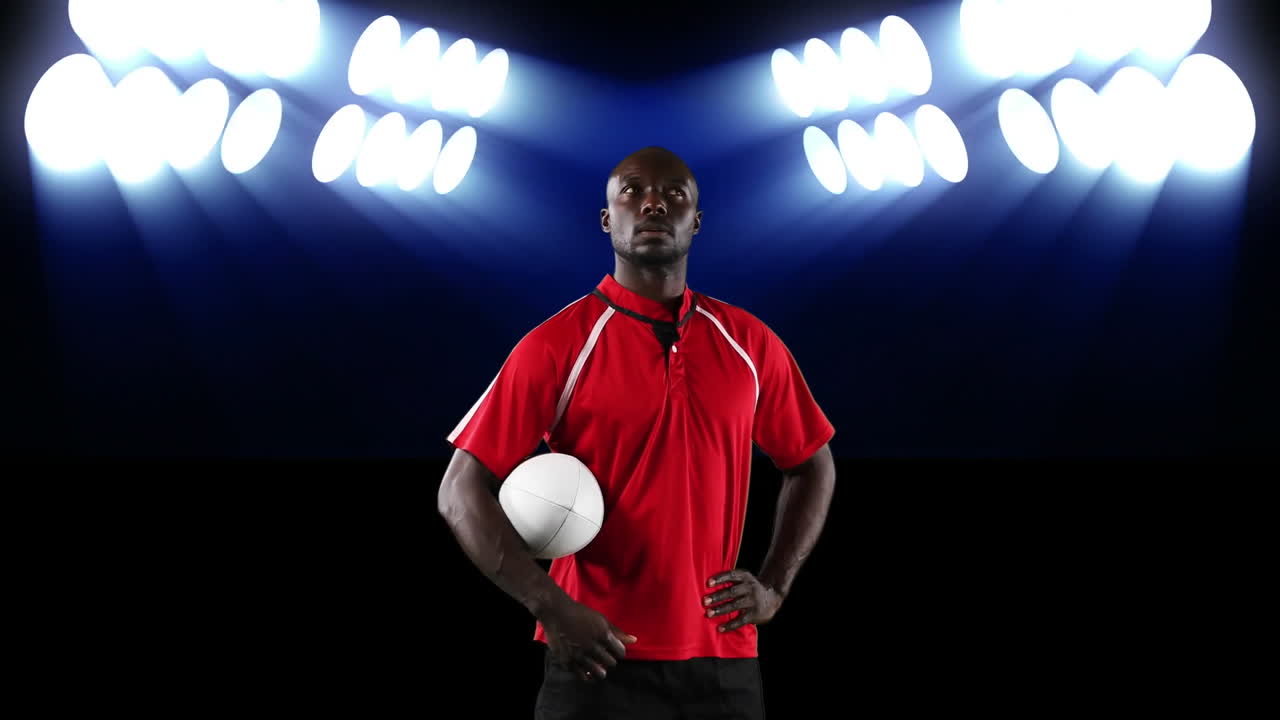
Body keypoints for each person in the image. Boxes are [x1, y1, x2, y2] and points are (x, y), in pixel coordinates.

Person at [437, 146, 837, 719]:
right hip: (594, 655)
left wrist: (773, 587)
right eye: (632, 191)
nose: (653, 202)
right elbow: (458, 491)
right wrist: (550, 606)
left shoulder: (749, 343)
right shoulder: (556, 345)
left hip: (722, 661)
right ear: (608, 219)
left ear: (695, 222)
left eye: (675, 194)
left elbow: (812, 463)